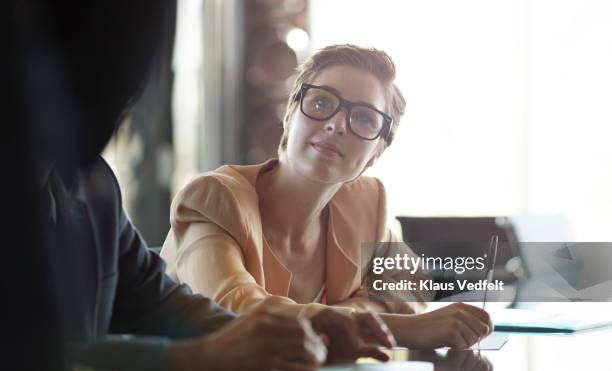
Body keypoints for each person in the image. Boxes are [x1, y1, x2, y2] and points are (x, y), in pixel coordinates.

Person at [9, 3, 394, 371]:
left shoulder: (93, 187)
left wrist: (296, 335)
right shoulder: (217, 196)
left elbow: (159, 303)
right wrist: (193, 360)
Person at [161, 44, 493, 350]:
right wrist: (397, 328)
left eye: (363, 117)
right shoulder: (214, 198)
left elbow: (413, 282)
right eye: (321, 102)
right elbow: (233, 310)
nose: (337, 124)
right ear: (290, 115)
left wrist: (350, 314)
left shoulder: (365, 202)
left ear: (375, 153)